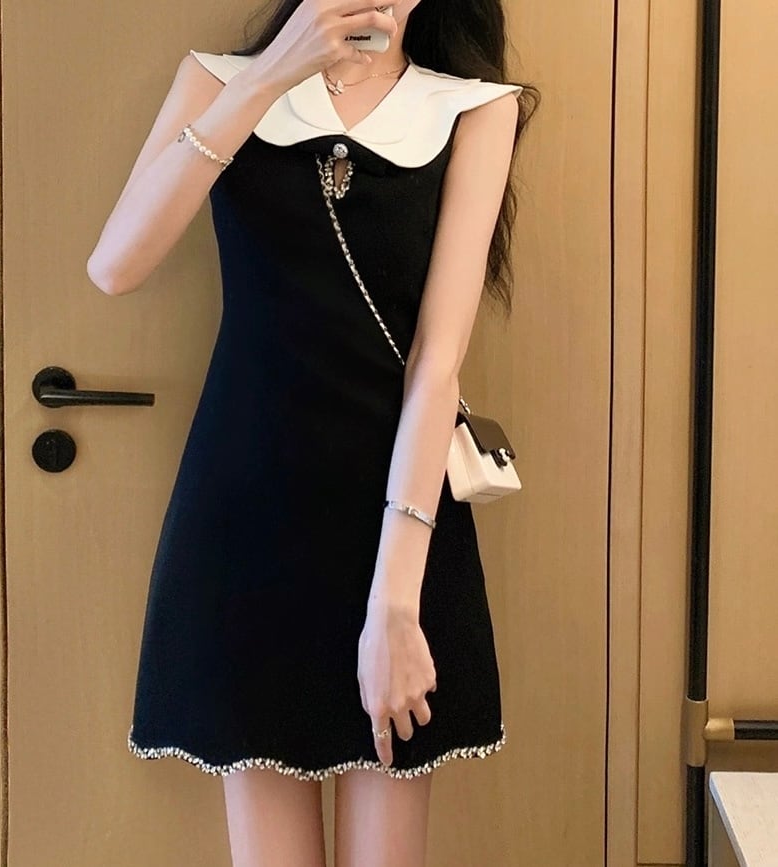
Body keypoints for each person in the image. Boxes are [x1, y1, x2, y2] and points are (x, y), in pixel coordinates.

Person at [87, 1, 536, 864]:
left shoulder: (472, 108)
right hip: (246, 513)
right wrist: (269, 74)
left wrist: (395, 605)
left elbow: (435, 365)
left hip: (399, 520)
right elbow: (116, 265)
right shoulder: (218, 82)